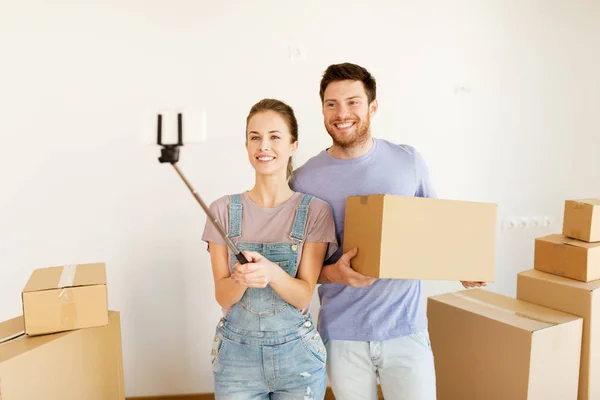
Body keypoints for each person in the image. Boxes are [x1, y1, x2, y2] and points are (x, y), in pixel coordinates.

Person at [290, 63, 486, 400]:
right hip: (342, 334)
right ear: (322, 108)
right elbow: (295, 270)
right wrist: (334, 273)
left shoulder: (407, 161)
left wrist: (462, 267)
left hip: (405, 329)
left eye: (353, 102)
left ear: (373, 106)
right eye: (331, 104)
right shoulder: (304, 180)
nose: (342, 113)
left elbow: (437, 227)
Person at [201, 98, 338, 400]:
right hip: (236, 360)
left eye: (275, 137)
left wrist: (271, 272)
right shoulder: (221, 211)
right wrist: (241, 277)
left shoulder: (315, 211)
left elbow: (303, 294)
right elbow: (221, 296)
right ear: (247, 145)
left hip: (298, 358)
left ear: (293, 145)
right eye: (255, 137)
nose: (264, 146)